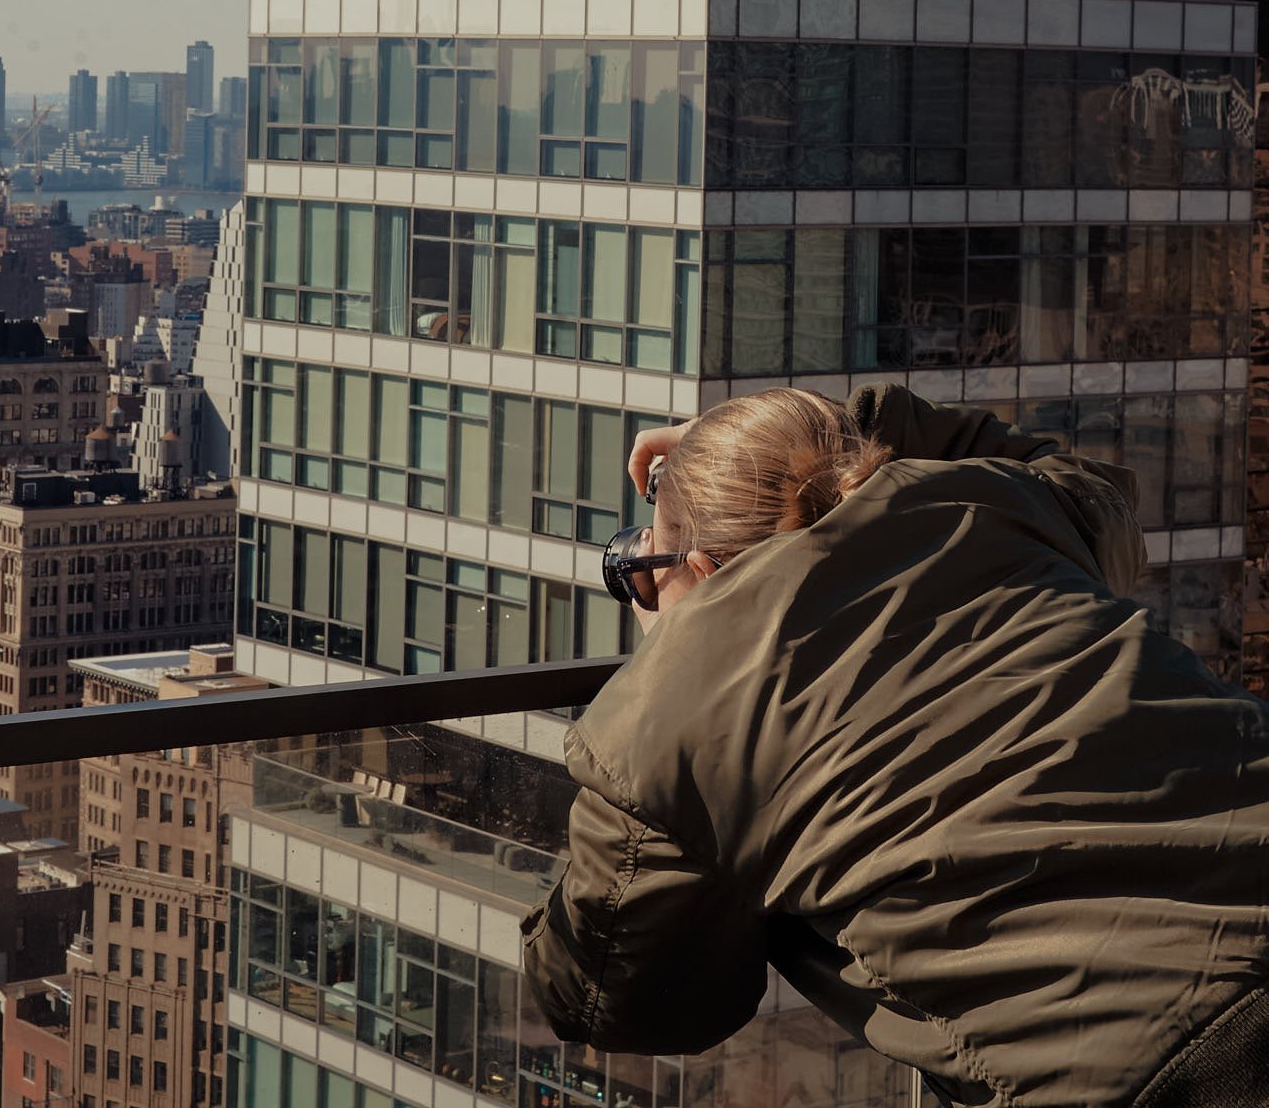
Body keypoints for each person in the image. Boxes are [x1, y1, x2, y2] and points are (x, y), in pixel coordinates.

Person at [520, 385, 1269, 1108]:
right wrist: (835, 429)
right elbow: (1091, 485)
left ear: (706, 570)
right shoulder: (1002, 508)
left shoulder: (668, 721)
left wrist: (676, 655)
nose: (641, 596)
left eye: (639, 571)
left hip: (1161, 1068)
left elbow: (605, 1004)